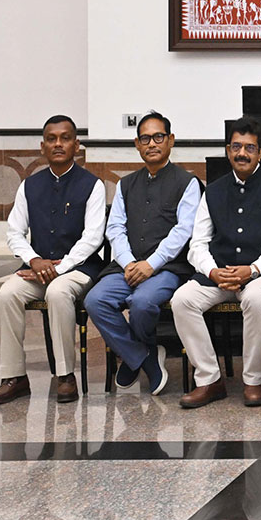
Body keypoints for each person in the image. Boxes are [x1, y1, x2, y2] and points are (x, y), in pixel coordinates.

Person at [174, 118, 261, 408]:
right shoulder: (212, 190)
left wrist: (252, 269)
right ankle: (209, 380)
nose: (242, 153)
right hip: (219, 274)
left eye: (249, 148)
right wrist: (213, 271)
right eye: (237, 146)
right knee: (182, 300)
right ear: (228, 150)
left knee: (254, 298)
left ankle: (253, 381)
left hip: (260, 273)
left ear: (260, 153)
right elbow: (197, 244)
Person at [85, 111, 202, 397]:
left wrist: (151, 264)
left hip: (167, 268)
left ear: (171, 140)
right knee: (95, 300)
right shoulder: (126, 184)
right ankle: (145, 356)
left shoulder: (187, 183)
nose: (152, 144)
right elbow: (115, 228)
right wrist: (128, 262)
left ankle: (133, 356)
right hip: (126, 266)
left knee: (143, 302)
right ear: (137, 144)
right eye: (145, 138)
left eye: (158, 137)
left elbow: (183, 232)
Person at [0, 115, 105, 405]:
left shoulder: (92, 185)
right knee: (7, 294)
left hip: (79, 269)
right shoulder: (29, 185)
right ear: (42, 146)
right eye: (52, 139)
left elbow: (93, 239)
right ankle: (14, 376)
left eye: (65, 138)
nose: (58, 144)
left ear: (76, 145)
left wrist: (60, 268)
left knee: (57, 291)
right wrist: (34, 260)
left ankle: (65, 376)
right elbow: (14, 233)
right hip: (37, 269)